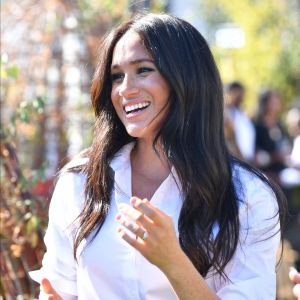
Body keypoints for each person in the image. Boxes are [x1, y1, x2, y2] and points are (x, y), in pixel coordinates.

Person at [29, 13, 286, 299]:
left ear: (187, 79)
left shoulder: (248, 197)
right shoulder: (80, 183)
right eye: (116, 76)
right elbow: (59, 288)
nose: (125, 89)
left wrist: (174, 262)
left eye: (143, 70)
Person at [253, 90, 292, 185]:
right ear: (265, 103)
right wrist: (273, 157)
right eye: (273, 101)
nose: (277, 104)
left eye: (278, 101)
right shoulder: (256, 125)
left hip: (282, 173)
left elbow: (286, 144)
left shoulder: (280, 125)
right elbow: (255, 156)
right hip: (264, 176)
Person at [224, 81, 256, 163]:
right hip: (234, 159)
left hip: (246, 160)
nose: (241, 98)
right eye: (237, 94)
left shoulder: (241, 114)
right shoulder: (225, 114)